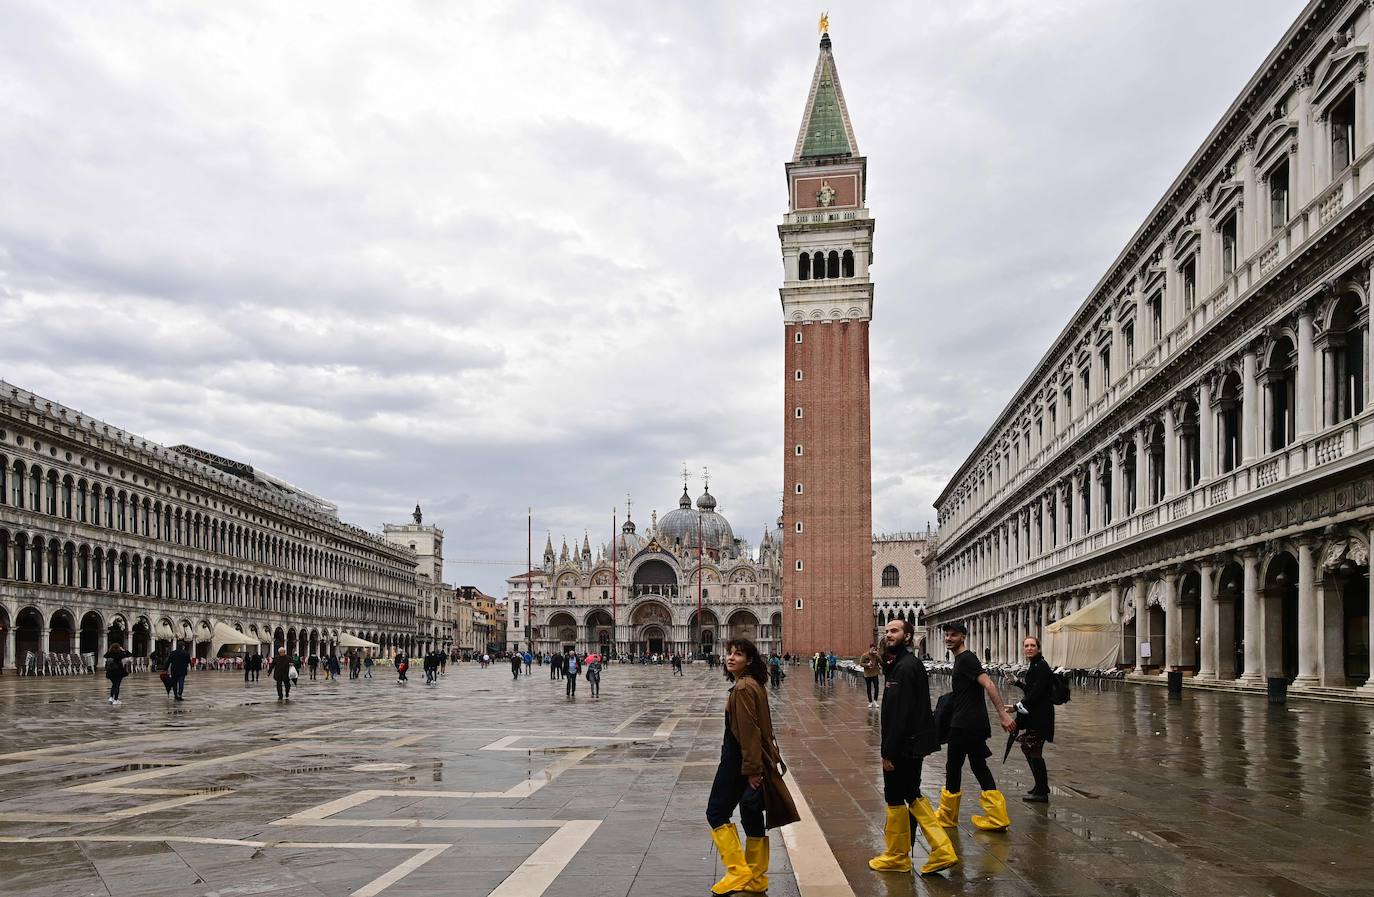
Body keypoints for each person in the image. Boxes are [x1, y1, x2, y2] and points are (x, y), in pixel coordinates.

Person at [707, 638, 799, 895]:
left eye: (738, 654)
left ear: (749, 660)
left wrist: (753, 770)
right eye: (729, 653)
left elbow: (748, 731)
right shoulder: (753, 684)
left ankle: (738, 871)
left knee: (716, 812)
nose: (730, 657)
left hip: (739, 760)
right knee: (751, 814)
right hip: (750, 759)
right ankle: (757, 879)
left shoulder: (743, 689)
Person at [868, 619, 958, 875]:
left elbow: (899, 714)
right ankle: (940, 849)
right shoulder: (905, 664)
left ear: (908, 636)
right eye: (886, 631)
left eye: (894, 631)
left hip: (903, 747)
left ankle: (898, 856)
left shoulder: (905, 669)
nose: (888, 635)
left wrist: (888, 752)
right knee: (913, 795)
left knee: (896, 798)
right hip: (912, 744)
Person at [935, 622, 1016, 832]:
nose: (948, 638)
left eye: (953, 635)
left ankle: (947, 817)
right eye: (946, 635)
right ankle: (997, 817)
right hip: (972, 723)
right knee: (979, 766)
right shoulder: (962, 659)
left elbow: (989, 683)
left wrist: (1002, 713)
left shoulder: (967, 659)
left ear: (963, 637)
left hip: (963, 725)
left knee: (953, 768)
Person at [1005, 636, 1056, 803]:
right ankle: (1040, 786)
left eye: (1033, 645)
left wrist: (1016, 706)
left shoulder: (1041, 665)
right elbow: (1031, 689)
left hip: (1041, 717)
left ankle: (1042, 792)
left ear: (1038, 648)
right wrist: (1018, 683)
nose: (1029, 648)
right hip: (1035, 715)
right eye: (1026, 646)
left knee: (1034, 750)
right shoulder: (1034, 665)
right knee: (1028, 748)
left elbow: (1037, 693)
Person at [860, 643, 882, 707]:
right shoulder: (865, 655)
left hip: (875, 673)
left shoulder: (876, 655)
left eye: (875, 649)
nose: (874, 650)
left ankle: (875, 701)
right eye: (873, 648)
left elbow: (881, 661)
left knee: (876, 687)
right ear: (870, 648)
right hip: (867, 674)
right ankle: (870, 702)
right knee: (869, 688)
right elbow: (861, 663)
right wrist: (867, 665)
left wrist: (877, 655)